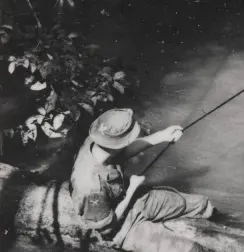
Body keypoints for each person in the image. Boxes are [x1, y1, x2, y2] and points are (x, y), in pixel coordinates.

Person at [69, 108, 215, 252]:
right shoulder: (91, 188)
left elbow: (123, 151)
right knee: (193, 249)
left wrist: (161, 136)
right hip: (121, 227)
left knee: (201, 204)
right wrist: (132, 189)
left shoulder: (97, 141)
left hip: (129, 199)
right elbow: (108, 228)